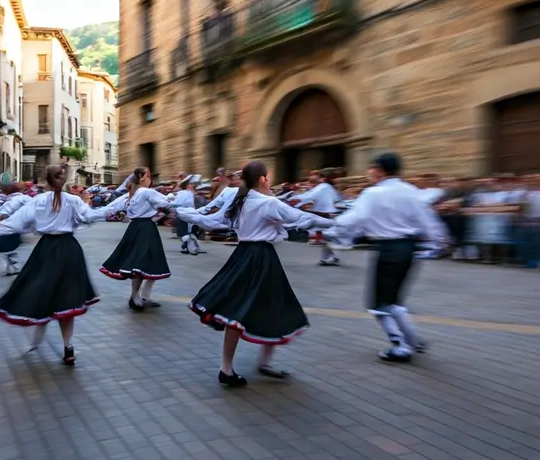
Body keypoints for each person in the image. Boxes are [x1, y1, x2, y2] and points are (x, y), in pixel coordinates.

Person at [175, 161, 335, 387]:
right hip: (261, 257)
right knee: (271, 305)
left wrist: (187, 215)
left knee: (243, 309)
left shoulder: (241, 200)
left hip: (243, 255)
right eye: (267, 177)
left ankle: (231, 367)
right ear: (262, 179)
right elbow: (301, 218)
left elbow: (213, 222)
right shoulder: (267, 202)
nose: (269, 181)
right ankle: (251, 364)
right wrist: (336, 223)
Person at [0, 164, 110, 366]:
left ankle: (36, 342)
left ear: (45, 180)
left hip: (47, 250)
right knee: (66, 298)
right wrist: (118, 206)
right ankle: (67, 346)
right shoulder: (72, 200)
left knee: (39, 290)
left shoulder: (38, 201)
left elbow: (12, 224)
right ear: (64, 179)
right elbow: (91, 216)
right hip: (69, 250)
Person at [330, 153, 448, 363]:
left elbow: (354, 219)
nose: (369, 172)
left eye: (372, 168)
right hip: (408, 249)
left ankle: (401, 345)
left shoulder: (373, 193)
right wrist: (439, 243)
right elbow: (427, 221)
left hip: (388, 249)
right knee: (394, 299)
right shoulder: (410, 191)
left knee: (379, 303)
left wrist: (330, 231)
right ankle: (412, 340)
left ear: (379, 169)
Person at [98, 167, 174, 311]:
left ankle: (143, 295)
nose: (150, 178)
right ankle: (135, 296)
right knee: (140, 262)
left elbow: (112, 208)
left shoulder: (131, 193)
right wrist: (176, 199)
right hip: (145, 228)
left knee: (151, 261)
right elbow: (166, 203)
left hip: (137, 228)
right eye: (149, 175)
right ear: (141, 177)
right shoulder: (146, 192)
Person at [0, 178, 33, 275]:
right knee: (9, 246)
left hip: (12, 226)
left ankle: (14, 267)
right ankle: (13, 267)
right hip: (23, 226)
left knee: (6, 246)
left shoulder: (15, 199)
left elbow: (4, 212)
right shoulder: (25, 198)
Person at [173, 175, 203, 255]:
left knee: (192, 231)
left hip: (192, 215)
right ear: (187, 185)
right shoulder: (182, 193)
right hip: (183, 215)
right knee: (185, 232)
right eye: (191, 184)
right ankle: (188, 246)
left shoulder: (193, 194)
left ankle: (190, 246)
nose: (193, 186)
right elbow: (176, 203)